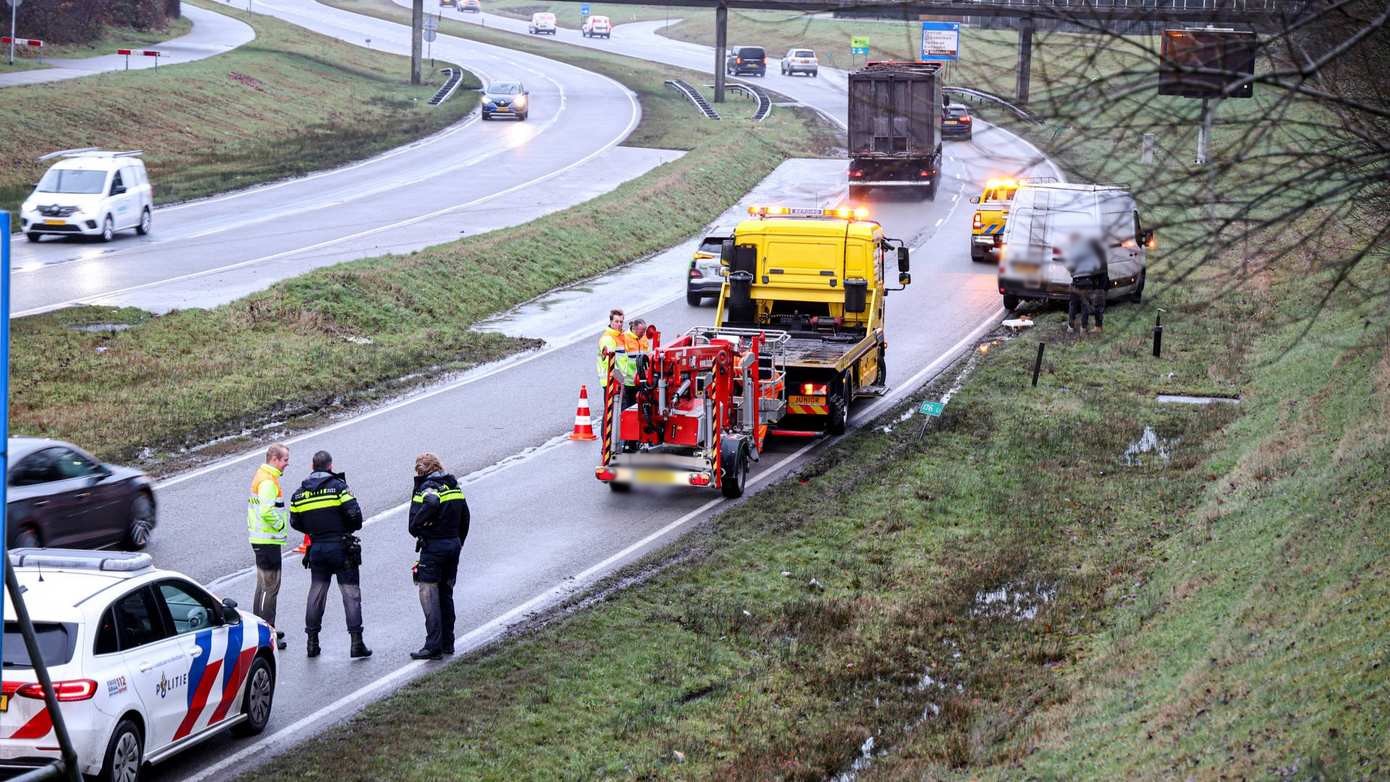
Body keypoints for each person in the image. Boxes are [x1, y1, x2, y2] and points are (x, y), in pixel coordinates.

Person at [289, 450, 371, 659]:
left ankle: (312, 643)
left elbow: (295, 522)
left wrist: (314, 531)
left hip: (316, 548)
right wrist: (345, 528)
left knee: (316, 593)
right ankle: (356, 643)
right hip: (341, 547)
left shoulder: (299, 494)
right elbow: (355, 516)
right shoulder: (338, 488)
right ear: (330, 466)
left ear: (312, 467)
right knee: (350, 594)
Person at [408, 453, 471, 661]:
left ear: (423, 470)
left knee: (429, 594)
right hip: (453, 545)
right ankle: (448, 642)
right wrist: (458, 542)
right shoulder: (453, 485)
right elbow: (465, 517)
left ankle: (433, 645)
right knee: (446, 593)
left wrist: (416, 525)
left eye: (419, 470)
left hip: (434, 547)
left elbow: (432, 503)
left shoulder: (429, 487)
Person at [247, 444, 289, 650]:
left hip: (262, 539)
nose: (287, 464)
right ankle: (267, 633)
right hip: (267, 540)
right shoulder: (268, 481)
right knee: (270, 588)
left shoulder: (263, 474)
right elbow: (266, 511)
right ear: (274, 459)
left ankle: (261, 627)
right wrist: (281, 524)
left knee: (262, 586)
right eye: (285, 460)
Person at [1064, 231, 1109, 335]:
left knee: (1073, 304)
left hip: (1081, 281)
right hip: (1090, 281)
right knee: (1085, 305)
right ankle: (1084, 328)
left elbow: (1070, 265)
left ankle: (1071, 326)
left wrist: (1073, 272)